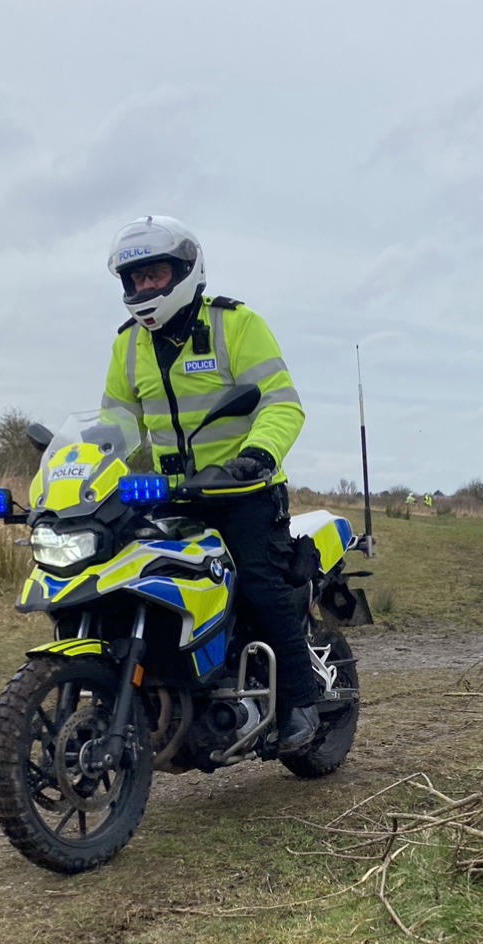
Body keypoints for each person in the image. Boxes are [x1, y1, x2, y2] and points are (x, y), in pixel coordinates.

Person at [100, 215, 321, 752]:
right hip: (175, 498)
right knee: (132, 580)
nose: (144, 288)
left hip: (243, 491)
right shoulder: (128, 345)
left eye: (154, 275)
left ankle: (301, 702)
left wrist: (256, 455)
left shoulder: (235, 325)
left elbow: (280, 402)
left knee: (260, 587)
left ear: (183, 271)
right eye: (135, 279)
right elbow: (114, 427)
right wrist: (90, 473)